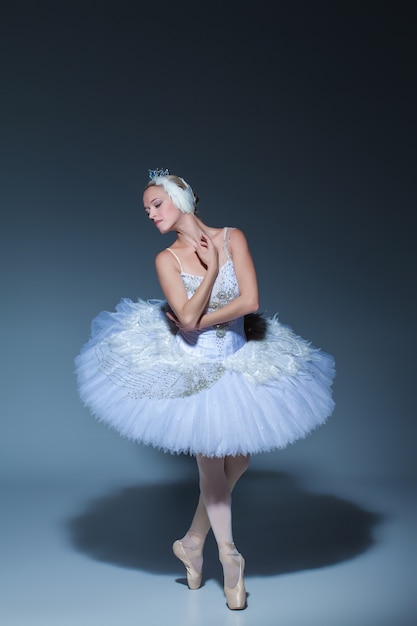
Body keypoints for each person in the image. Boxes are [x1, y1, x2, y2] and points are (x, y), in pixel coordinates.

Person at [75, 168, 335, 610]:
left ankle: (192, 541)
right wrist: (210, 275)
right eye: (146, 209)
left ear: (180, 199)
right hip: (190, 366)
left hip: (237, 360)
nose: (150, 213)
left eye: (156, 204)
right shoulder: (166, 259)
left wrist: (212, 275)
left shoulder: (232, 237)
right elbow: (187, 319)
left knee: (241, 457)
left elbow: (248, 303)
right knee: (212, 463)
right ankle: (229, 557)